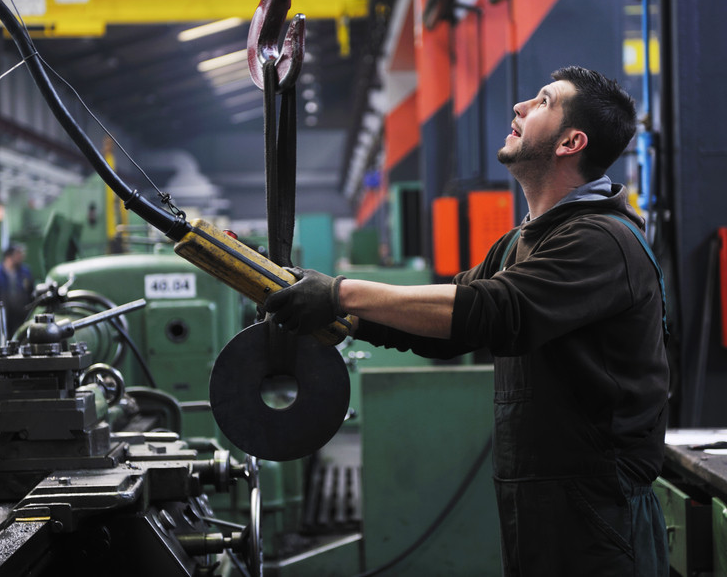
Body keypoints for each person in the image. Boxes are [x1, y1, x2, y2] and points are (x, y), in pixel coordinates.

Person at [265, 66, 670, 576]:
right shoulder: (522, 241)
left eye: (543, 101)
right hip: (541, 504)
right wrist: (342, 314)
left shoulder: (602, 240)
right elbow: (450, 327)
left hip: (600, 513)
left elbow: (492, 310)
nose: (521, 106)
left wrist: (341, 293)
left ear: (571, 142)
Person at [0, 244, 35, 339]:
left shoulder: (25, 272)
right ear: (9, 256)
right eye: (18, 254)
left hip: (22, 315)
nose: (21, 256)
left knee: (21, 338)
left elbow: (32, 293)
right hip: (2, 315)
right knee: (4, 339)